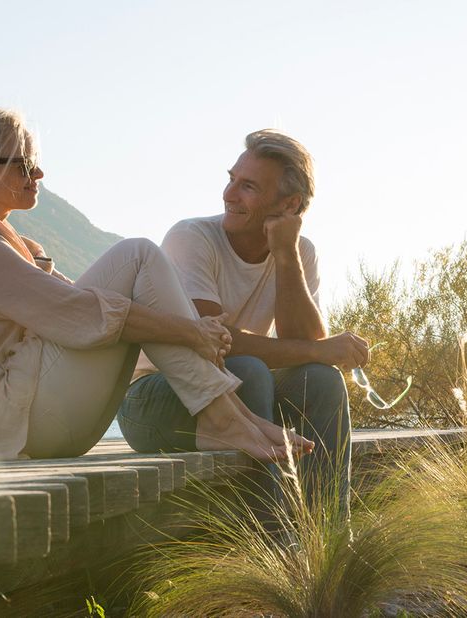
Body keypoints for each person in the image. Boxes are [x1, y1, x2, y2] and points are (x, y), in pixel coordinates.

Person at [0, 108, 311, 463]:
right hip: (10, 427)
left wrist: (187, 329)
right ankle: (224, 419)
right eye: (26, 164)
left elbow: (88, 302)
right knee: (136, 254)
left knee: (134, 269)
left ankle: (230, 416)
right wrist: (191, 330)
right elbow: (79, 313)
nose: (39, 173)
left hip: (18, 420)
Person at [117, 130, 369, 510]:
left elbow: (307, 349)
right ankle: (271, 541)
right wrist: (321, 350)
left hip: (244, 400)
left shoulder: (301, 252)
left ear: (289, 205)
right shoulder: (192, 237)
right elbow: (212, 345)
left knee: (321, 380)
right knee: (246, 370)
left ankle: (331, 538)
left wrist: (285, 254)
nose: (229, 194)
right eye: (231, 178)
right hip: (157, 399)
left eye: (247, 186)